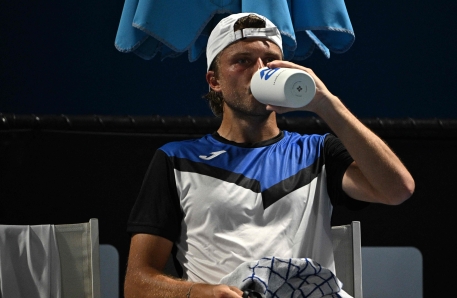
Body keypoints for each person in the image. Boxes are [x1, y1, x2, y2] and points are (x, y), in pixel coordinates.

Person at [124, 12, 415, 298]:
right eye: (242, 61)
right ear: (214, 81)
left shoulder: (318, 152)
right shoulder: (176, 160)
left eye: (270, 61)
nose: (260, 70)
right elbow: (137, 283)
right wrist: (198, 293)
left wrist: (327, 104)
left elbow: (397, 189)